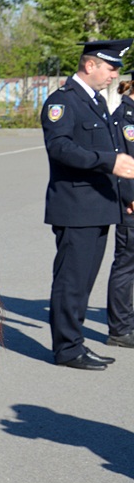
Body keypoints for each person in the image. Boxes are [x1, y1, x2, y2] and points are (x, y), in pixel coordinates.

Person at [41, 38, 134, 368]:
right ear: (90, 65)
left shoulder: (94, 102)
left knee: (83, 283)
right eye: (111, 68)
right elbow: (60, 148)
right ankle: (67, 348)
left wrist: (124, 198)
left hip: (97, 206)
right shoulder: (63, 102)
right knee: (71, 281)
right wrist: (108, 160)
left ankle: (75, 342)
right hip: (75, 207)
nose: (114, 75)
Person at [107, 76, 134, 349]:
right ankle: (120, 329)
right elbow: (122, 159)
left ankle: (128, 319)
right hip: (132, 205)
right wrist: (130, 196)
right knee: (126, 265)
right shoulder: (125, 118)